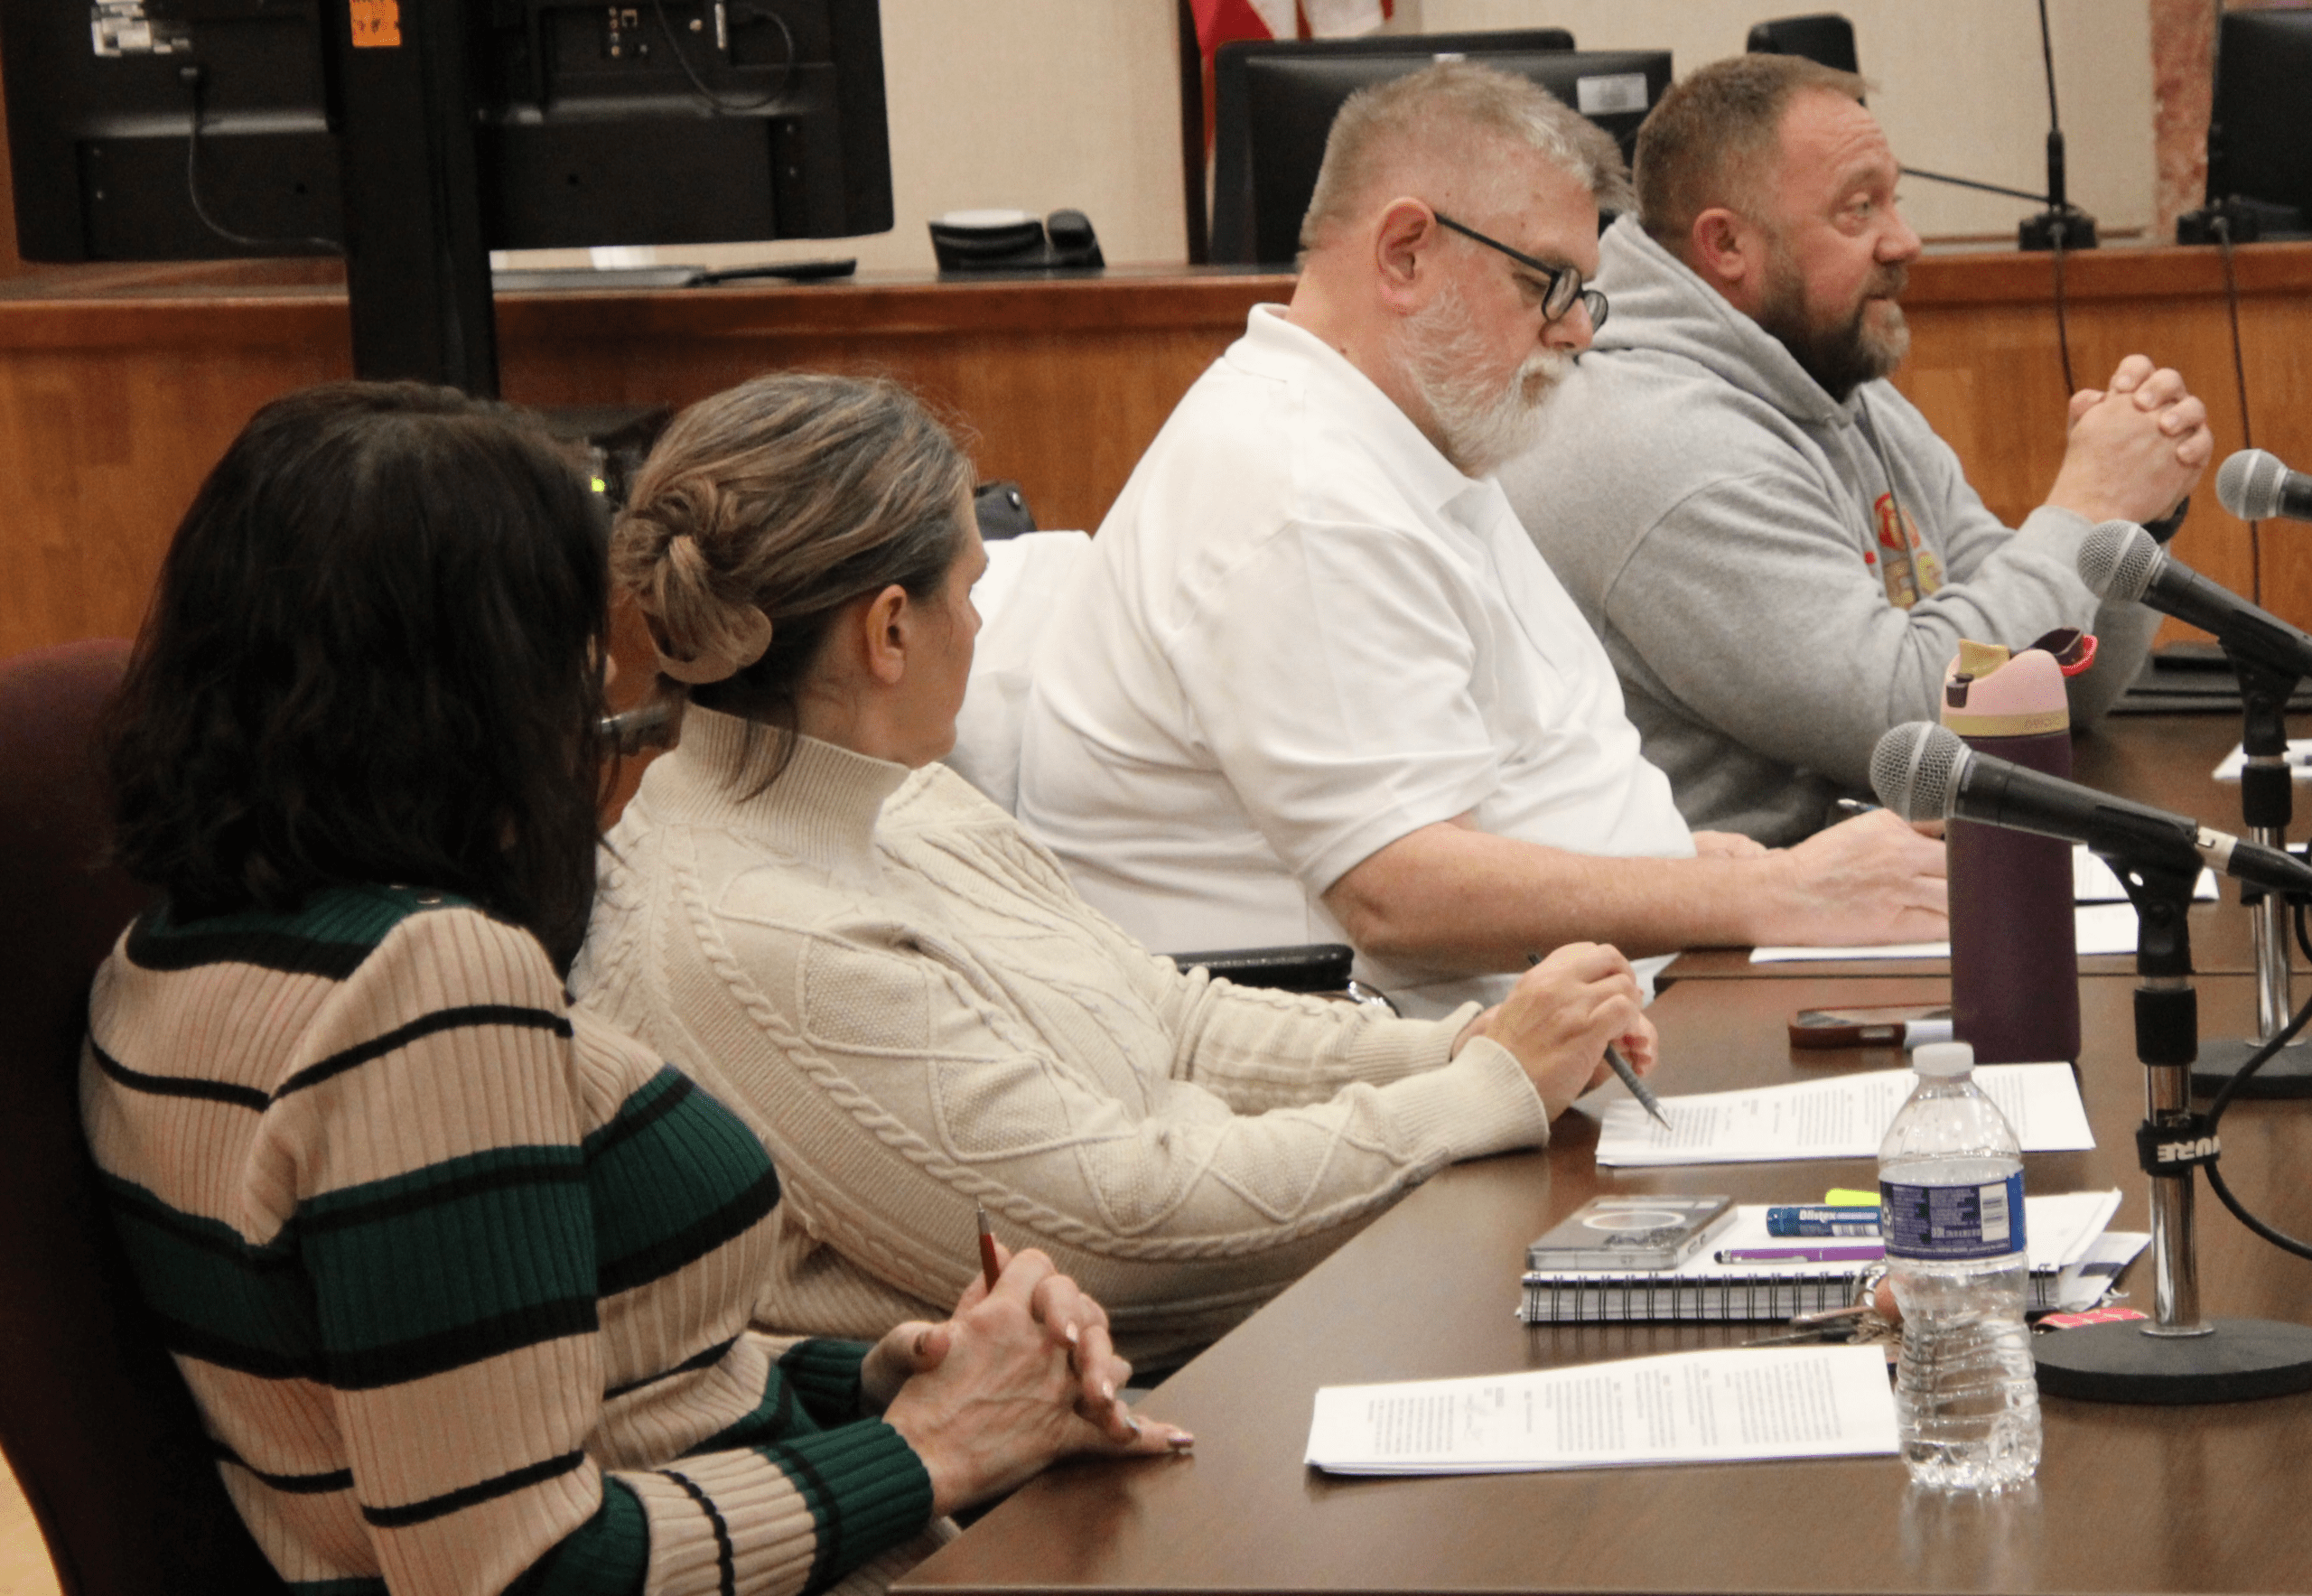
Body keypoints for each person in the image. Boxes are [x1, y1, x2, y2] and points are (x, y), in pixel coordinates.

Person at [84, 381, 1185, 1596]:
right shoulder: (431, 990)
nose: (602, 674)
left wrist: (878, 1374)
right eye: (562, 636)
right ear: (470, 685)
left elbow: (524, 1382)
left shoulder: (160, 959)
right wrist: (927, 1446)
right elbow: (516, 1564)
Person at [571, 370, 1656, 1363]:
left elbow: (1168, 1020)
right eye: (968, 587)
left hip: (1208, 1355)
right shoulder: (757, 939)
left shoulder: (899, 799)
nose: (982, 620)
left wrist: (1457, 1046)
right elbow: (1121, 1232)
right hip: (1065, 1468)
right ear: (889, 632)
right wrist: (1480, 1094)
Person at [1012, 61, 1946, 1021]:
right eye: (1548, 283)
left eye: (1588, 290)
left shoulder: (1413, 438)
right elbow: (1401, 891)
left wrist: (1680, 860)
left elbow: (1513, 773)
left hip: (1556, 1027)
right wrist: (1775, 895)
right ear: (1406, 254)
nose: (1579, 331)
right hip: (1383, 1094)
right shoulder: (1300, 495)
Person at [1501, 53, 2213, 846]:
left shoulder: (1841, 386)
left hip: (1850, 902)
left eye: (1894, 201)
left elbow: (2054, 689)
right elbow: (1911, 720)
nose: (1904, 241)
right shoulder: (1659, 443)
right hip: (1710, 949)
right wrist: (2090, 506)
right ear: (1727, 244)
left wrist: (2131, 527)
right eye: (1858, 209)